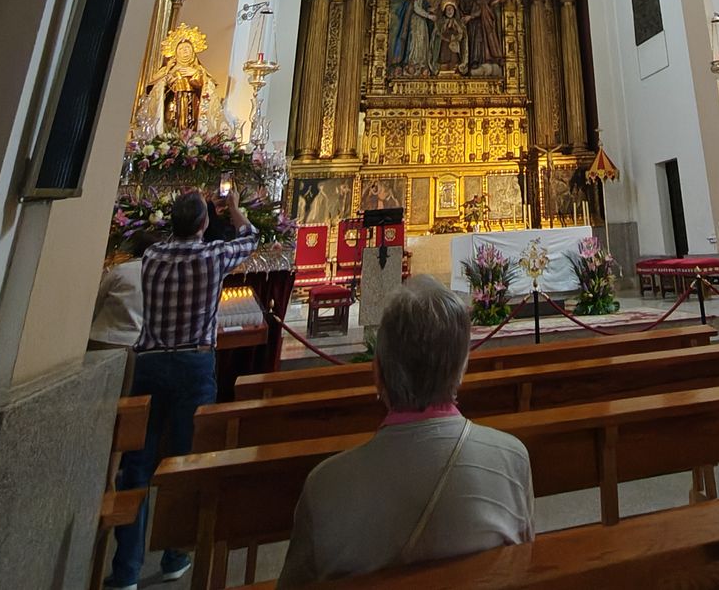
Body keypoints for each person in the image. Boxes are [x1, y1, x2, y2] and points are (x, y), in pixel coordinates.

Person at [277, 276, 533, 585]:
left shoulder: (325, 485)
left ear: (377, 372)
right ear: (462, 369)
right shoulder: (511, 458)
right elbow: (522, 565)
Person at [108, 187, 258, 590]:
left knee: (136, 464)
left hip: (150, 365)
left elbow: (157, 243)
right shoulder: (212, 257)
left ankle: (125, 571)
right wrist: (235, 209)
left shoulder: (152, 257)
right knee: (185, 461)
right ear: (205, 224)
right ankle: (175, 555)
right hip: (194, 365)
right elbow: (251, 238)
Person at [89, 228, 160, 350]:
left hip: (104, 337)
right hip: (139, 341)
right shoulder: (161, 275)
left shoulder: (120, 271)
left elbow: (98, 300)